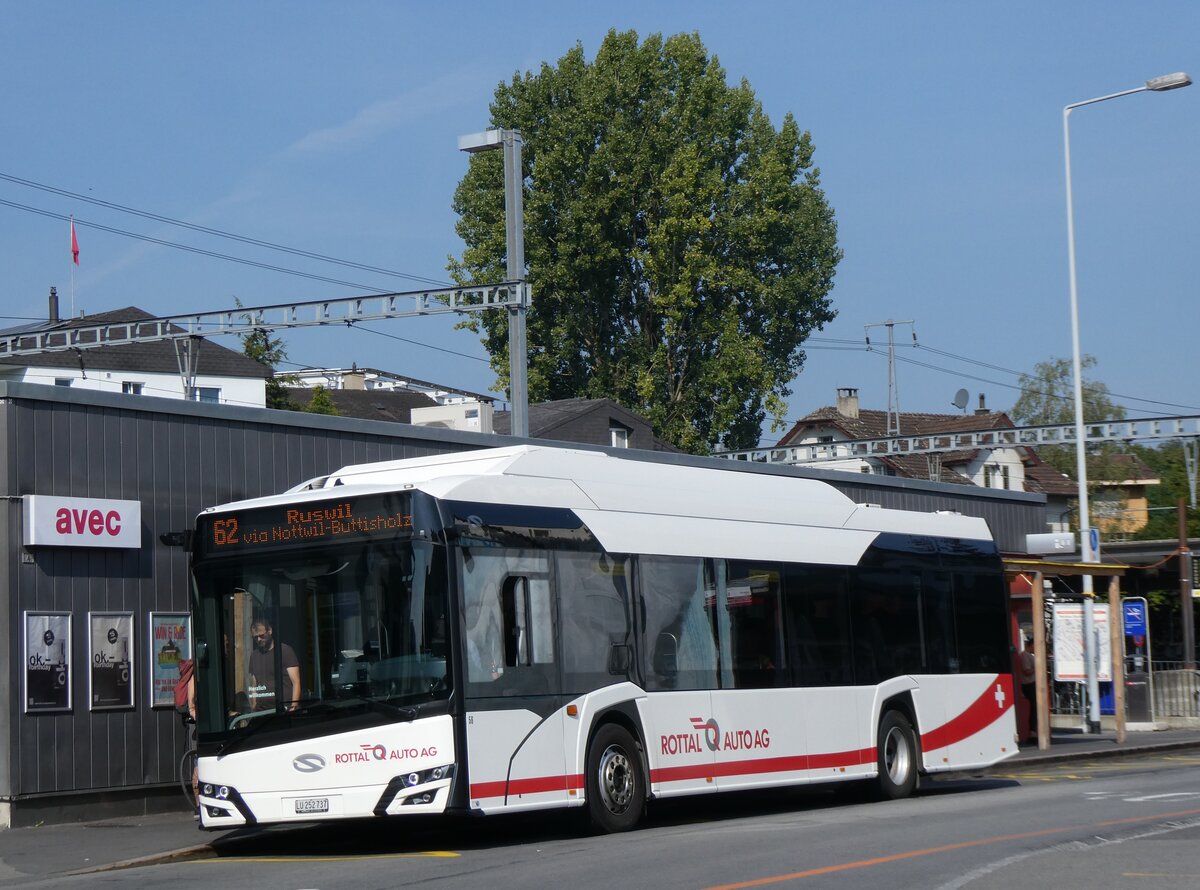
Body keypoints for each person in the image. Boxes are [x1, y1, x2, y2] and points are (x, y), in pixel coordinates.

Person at [247, 618, 301, 712]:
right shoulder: (254, 655)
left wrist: (293, 707)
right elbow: (254, 684)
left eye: (261, 635)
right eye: (255, 637)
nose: (259, 639)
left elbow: (296, 682)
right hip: (261, 710)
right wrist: (254, 706)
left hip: (283, 708)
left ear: (270, 631)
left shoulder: (285, 651)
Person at [1018, 635, 1038, 737]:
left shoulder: (1028, 655)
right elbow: (1027, 671)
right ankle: (1032, 731)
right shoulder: (1025, 655)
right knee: (1034, 707)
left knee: (1035, 708)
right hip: (1029, 684)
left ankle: (1034, 730)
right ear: (1032, 645)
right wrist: (1038, 667)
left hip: (1030, 684)